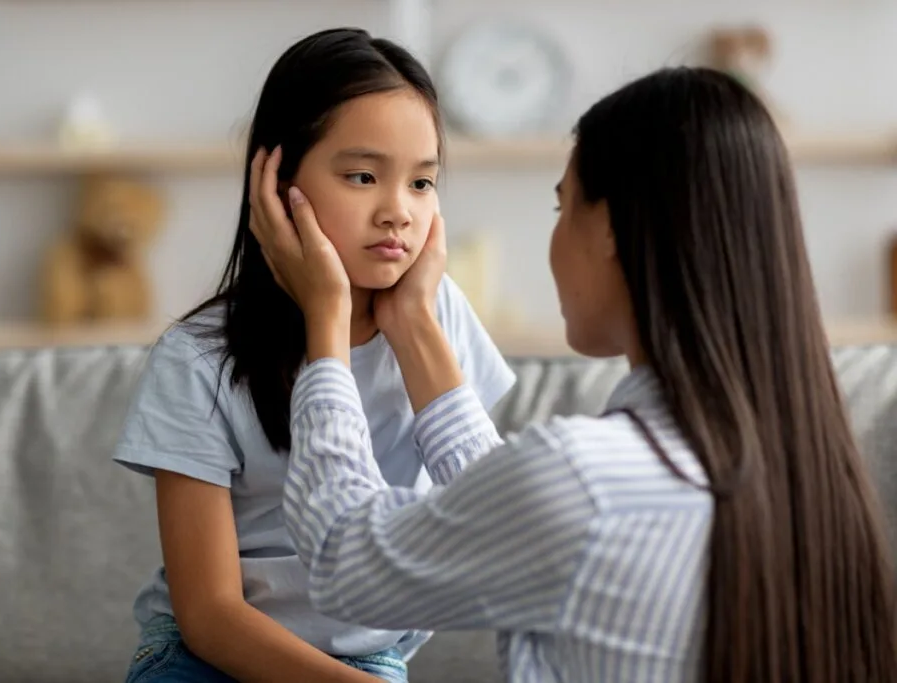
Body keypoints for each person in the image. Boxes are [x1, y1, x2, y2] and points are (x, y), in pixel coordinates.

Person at [252, 66, 897, 682]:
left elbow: (345, 560)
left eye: (563, 209)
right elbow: (519, 516)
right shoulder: (808, 473)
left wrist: (326, 325)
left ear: (611, 226)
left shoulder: (582, 478)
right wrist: (416, 323)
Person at [112, 27, 516, 683]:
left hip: (367, 658)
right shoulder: (196, 358)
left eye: (422, 182)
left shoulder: (442, 322)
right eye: (363, 176)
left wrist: (413, 321)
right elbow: (210, 614)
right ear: (276, 180)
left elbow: (502, 523)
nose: (398, 212)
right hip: (208, 657)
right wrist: (325, 312)